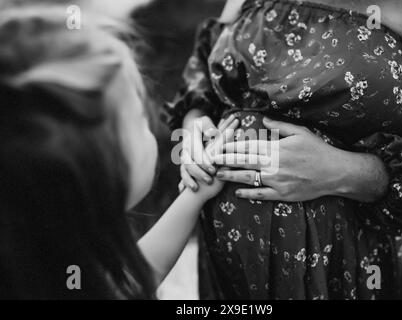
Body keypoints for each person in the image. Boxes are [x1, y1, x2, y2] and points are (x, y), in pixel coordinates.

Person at [165, 0, 402, 299]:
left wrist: (345, 173)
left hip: (342, 259)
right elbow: (203, 72)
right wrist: (193, 130)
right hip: (229, 252)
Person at [0, 5, 238, 299]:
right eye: (139, 118)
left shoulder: (50, 266)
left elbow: (126, 286)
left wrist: (194, 196)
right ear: (93, 175)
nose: (149, 122)